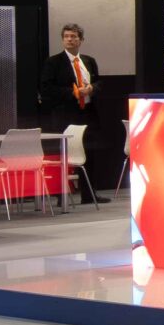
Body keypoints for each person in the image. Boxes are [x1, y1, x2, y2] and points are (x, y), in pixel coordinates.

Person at [36, 23, 108, 204]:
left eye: (73, 36)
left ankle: (89, 194)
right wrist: (73, 93)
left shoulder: (89, 61)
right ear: (63, 40)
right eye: (66, 36)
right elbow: (46, 88)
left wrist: (92, 88)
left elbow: (99, 83)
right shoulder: (53, 62)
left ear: (81, 40)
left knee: (89, 153)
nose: (70, 39)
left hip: (87, 113)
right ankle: (62, 196)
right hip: (65, 114)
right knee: (64, 155)